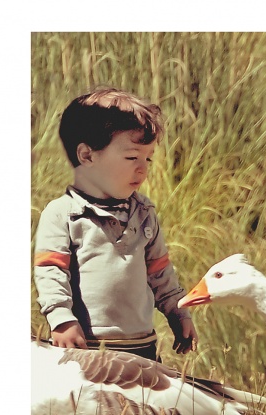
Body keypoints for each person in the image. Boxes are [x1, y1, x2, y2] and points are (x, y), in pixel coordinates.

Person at [33, 88, 197, 362]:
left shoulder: (144, 213)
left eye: (148, 159)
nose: (143, 168)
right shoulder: (63, 214)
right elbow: (51, 272)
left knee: (145, 405)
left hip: (141, 346)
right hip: (84, 344)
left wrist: (178, 312)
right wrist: (61, 318)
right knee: (90, 405)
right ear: (87, 156)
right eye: (132, 158)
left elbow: (160, 273)